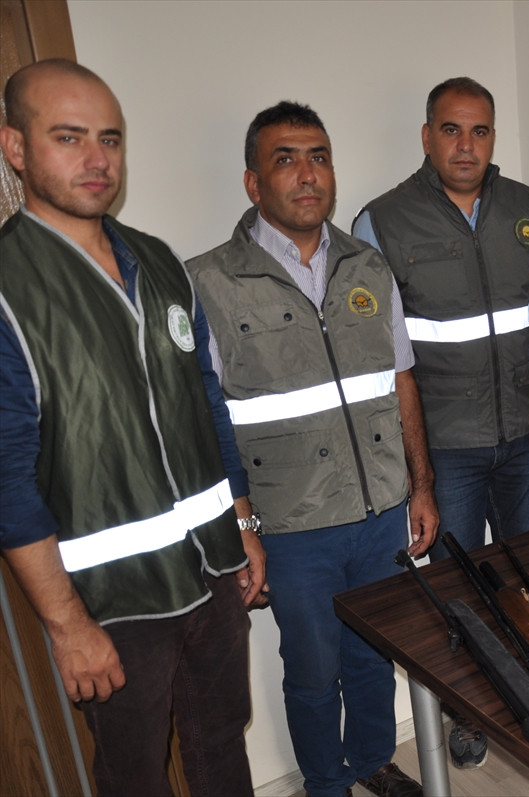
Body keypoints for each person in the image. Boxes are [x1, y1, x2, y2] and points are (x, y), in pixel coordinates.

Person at [0, 60, 261, 796]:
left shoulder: (160, 261)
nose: (97, 159)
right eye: (69, 137)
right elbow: (7, 479)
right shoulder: (10, 288)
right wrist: (66, 624)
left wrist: (242, 523)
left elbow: (206, 404)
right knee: (134, 776)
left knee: (221, 746)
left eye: (109, 139)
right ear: (15, 147)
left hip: (211, 574)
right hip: (111, 604)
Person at [187, 102, 432, 797]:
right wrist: (240, 527)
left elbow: (401, 382)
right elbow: (206, 420)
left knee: (374, 653)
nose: (307, 174)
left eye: (318, 157)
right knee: (314, 671)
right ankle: (326, 783)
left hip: (379, 511)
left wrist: (421, 486)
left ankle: (374, 760)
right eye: (286, 159)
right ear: (253, 181)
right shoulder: (208, 282)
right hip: (292, 527)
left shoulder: (367, 266)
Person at [354, 76, 529, 769]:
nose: (466, 145)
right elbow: (379, 356)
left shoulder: (524, 205)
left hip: (526, 436)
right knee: (458, 595)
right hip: (446, 447)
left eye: (480, 130)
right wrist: (416, 475)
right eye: (451, 129)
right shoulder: (382, 221)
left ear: (493, 136)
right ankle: (469, 712)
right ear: (427, 136)